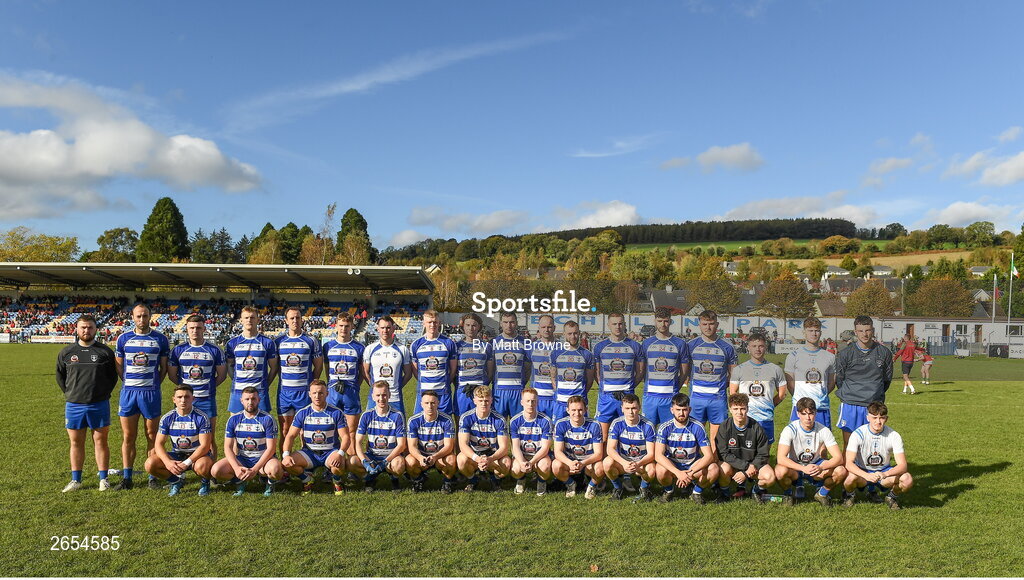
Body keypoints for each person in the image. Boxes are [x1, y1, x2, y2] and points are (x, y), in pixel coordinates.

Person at [57, 314, 118, 492]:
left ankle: (103, 479)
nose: (86, 330)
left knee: (101, 441)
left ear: (95, 329)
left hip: (98, 404)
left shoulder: (105, 352)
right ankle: (76, 480)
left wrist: (101, 393)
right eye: (83, 327)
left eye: (90, 327)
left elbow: (112, 378)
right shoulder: (66, 353)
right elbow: (60, 377)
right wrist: (71, 393)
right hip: (74, 405)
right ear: (76, 329)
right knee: (76, 443)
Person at [114, 303, 171, 490]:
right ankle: (127, 477)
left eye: (145, 316)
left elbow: (163, 368)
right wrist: (129, 382)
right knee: (128, 436)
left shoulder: (160, 340)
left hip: (150, 393)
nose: (141, 319)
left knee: (152, 436)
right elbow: (119, 366)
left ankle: (152, 477)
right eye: (138, 316)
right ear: (132, 317)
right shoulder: (123, 339)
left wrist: (154, 385)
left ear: (150, 317)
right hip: (129, 393)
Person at [168, 314, 227, 457]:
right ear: (186, 329)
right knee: (179, 435)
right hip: (184, 400)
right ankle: (179, 471)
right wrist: (185, 392)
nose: (195, 331)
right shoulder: (177, 350)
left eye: (198, 328)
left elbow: (222, 375)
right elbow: (172, 375)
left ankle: (210, 472)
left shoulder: (214, 350)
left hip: (206, 400)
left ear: (204, 329)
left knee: (210, 438)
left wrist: (209, 386)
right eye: (192, 328)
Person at [210, 387, 284, 496]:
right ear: (241, 401)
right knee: (216, 470)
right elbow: (227, 447)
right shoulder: (233, 419)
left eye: (253, 399)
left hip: (263, 459)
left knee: (276, 469)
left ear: (259, 400)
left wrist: (255, 469)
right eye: (247, 399)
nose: (250, 402)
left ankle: (269, 483)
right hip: (242, 459)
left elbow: (271, 448)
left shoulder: (268, 419)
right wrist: (236, 468)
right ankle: (240, 482)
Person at [280, 379, 349, 495]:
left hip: (330, 452)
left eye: (321, 393)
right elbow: (290, 436)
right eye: (314, 393)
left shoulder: (336, 412)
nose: (317, 396)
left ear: (327, 394)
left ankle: (336, 481)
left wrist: (340, 454)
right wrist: (286, 455)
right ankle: (307, 480)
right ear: (309, 394)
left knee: (340, 464)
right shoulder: (302, 413)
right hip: (310, 453)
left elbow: (346, 437)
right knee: (286, 463)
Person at [774, 397, 847, 507]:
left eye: (811, 413)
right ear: (798, 414)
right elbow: (781, 458)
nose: (808, 417)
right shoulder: (789, 429)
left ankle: (821, 494)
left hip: (816, 467)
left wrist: (820, 467)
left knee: (841, 471)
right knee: (779, 470)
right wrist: (803, 468)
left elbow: (838, 458)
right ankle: (788, 494)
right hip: (796, 467)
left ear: (815, 413)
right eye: (804, 414)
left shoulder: (823, 430)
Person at [841, 401, 914, 509]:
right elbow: (848, 463)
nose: (878, 421)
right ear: (867, 418)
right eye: (874, 417)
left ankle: (891, 497)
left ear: (886, 419)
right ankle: (850, 495)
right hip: (863, 474)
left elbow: (902, 466)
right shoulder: (858, 434)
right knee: (849, 478)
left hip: (883, 473)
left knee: (907, 479)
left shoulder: (893, 435)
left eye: (882, 418)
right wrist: (866, 475)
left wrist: (885, 474)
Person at [145, 386, 215, 496]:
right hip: (177, 454)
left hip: (197, 456)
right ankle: (175, 482)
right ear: (174, 399)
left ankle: (205, 483)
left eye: (187, 397)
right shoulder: (167, 418)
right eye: (179, 397)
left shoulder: (202, 417)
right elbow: (158, 444)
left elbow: (205, 446)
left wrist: (187, 463)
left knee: (203, 466)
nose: (183, 400)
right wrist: (167, 462)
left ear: (193, 399)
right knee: (150, 464)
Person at [835, 316, 894, 448]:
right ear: (855, 332)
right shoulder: (845, 353)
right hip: (850, 404)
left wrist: (875, 393)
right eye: (860, 331)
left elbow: (887, 379)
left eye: (867, 330)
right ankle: (848, 468)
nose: (864, 334)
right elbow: (839, 379)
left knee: (871, 444)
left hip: (872, 405)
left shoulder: (884, 353)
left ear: (872, 330)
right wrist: (850, 392)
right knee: (849, 445)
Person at [686, 310, 738, 455]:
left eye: (711, 324)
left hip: (717, 399)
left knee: (716, 439)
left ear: (717, 325)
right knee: (695, 436)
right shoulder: (691, 345)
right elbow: (685, 370)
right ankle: (694, 468)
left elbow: (733, 374)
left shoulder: (727, 347)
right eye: (704, 324)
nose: (708, 327)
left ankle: (713, 470)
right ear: (699, 325)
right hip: (696, 399)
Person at [275, 306, 324, 454]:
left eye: (297, 317)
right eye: (292, 318)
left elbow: (319, 366)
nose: (295, 320)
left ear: (302, 319)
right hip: (284, 393)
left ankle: (306, 461)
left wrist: (310, 385)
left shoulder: (311, 340)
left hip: (304, 393)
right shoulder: (278, 341)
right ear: (286, 321)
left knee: (305, 430)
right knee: (285, 430)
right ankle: (284, 463)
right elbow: (276, 366)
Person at [653, 393, 719, 504]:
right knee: (660, 469)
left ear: (690, 409)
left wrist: (689, 473)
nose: (681, 413)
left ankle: (696, 492)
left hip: (692, 465)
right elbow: (658, 455)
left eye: (684, 409)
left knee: (714, 469)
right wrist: (678, 473)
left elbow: (709, 456)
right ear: (671, 410)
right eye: (678, 409)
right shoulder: (664, 427)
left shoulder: (698, 426)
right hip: (673, 465)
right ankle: (669, 491)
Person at [593, 312, 645, 444]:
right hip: (606, 397)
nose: (618, 326)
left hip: (627, 395)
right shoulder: (600, 347)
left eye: (621, 323)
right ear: (609, 325)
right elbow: (596, 372)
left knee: (628, 434)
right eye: (614, 324)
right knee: (603, 436)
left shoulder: (634, 346)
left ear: (625, 325)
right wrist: (604, 388)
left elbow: (640, 372)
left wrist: (630, 386)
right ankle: (604, 463)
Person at [715, 393, 774, 503]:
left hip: (752, 465)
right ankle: (724, 493)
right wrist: (745, 467)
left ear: (747, 408)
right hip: (734, 465)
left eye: (742, 408)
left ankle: (756, 490)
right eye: (735, 408)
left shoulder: (756, 427)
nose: (739, 412)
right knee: (723, 468)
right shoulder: (724, 427)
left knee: (769, 476)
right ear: (730, 409)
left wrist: (749, 470)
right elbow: (723, 453)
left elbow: (763, 453)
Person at [351, 380, 407, 492]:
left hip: (391, 457)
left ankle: (394, 478)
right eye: (378, 395)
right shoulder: (366, 415)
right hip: (372, 456)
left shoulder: (397, 416)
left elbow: (401, 445)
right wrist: (364, 461)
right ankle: (370, 478)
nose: (381, 398)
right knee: (352, 461)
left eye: (384, 395)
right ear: (373, 396)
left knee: (399, 464)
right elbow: (357, 442)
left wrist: (385, 461)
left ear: (389, 395)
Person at [730, 332, 785, 445]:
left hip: (766, 418)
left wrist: (769, 405)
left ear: (766, 347)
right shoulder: (739, 369)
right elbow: (733, 392)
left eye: (761, 346)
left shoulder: (775, 369)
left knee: (764, 452)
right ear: (748, 347)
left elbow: (782, 393)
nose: (757, 349)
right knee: (745, 450)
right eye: (754, 346)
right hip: (746, 418)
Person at [323, 312, 365, 456]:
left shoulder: (359, 347)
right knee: (331, 429)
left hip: (351, 393)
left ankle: (352, 464)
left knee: (351, 431)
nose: (343, 329)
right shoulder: (328, 346)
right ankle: (333, 464)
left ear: (352, 326)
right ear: (336, 326)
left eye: (347, 326)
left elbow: (362, 373)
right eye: (341, 326)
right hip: (333, 393)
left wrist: (354, 386)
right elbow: (326, 370)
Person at [641, 307, 690, 427]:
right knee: (648, 431)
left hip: (670, 397)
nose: (663, 324)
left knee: (669, 432)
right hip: (650, 397)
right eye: (660, 321)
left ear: (670, 321)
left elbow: (684, 371)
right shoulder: (647, 343)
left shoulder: (680, 344)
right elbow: (641, 369)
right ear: (655, 321)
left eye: (666, 321)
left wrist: (675, 387)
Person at [603, 393, 657, 501]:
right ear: (622, 408)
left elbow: (651, 454)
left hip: (641, 462)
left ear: (639, 408)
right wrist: (624, 463)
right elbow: (610, 449)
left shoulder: (648, 425)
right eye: (627, 408)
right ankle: (618, 488)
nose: (631, 412)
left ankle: (644, 489)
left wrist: (638, 464)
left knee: (651, 469)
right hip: (623, 461)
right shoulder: (617, 423)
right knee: (607, 463)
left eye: (634, 408)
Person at [226, 306, 279, 415]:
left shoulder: (267, 343)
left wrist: (265, 384)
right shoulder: (232, 343)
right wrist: (236, 381)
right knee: (236, 425)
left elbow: (274, 368)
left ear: (258, 320)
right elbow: (229, 365)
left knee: (263, 425)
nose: (249, 320)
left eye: (252, 317)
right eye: (246, 318)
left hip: (260, 392)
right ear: (241, 320)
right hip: (238, 392)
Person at [457, 385, 511, 491]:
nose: (483, 403)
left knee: (506, 463)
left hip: (492, 455)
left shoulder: (499, 419)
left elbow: (504, 447)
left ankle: (494, 479)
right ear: (474, 401)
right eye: (480, 400)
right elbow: (463, 445)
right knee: (461, 460)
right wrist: (478, 459)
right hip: (474, 454)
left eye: (486, 400)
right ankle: (473, 479)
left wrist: (489, 459)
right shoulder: (466, 418)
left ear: (491, 400)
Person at [784, 317, 836, 428]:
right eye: (810, 330)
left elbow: (831, 383)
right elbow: (790, 384)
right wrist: (802, 400)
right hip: (800, 408)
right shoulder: (793, 356)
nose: (814, 333)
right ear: (804, 333)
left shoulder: (830, 357)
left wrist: (821, 394)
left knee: (822, 444)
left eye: (816, 331)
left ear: (820, 333)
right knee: (798, 443)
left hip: (821, 408)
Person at [552, 396, 605, 499]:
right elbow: (558, 452)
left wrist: (583, 463)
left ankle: (591, 486)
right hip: (570, 462)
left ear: (586, 409)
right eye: (573, 410)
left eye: (580, 410)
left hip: (588, 462)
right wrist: (570, 463)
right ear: (567, 410)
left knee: (600, 467)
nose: (577, 413)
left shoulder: (594, 425)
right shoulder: (561, 424)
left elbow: (599, 454)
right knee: (555, 465)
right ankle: (571, 484)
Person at [406, 390, 458, 493]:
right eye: (426, 403)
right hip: (422, 456)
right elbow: (412, 446)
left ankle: (447, 482)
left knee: (451, 459)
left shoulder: (447, 420)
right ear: (421, 404)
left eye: (433, 403)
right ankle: (419, 480)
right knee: (409, 461)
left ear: (438, 403)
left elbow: (449, 446)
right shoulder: (413, 421)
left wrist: (435, 457)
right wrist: (420, 458)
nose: (430, 406)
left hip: (440, 456)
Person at [410, 310, 458, 416]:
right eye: (429, 322)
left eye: (435, 322)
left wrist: (445, 383)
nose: (432, 325)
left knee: (445, 424)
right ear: (424, 323)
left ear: (439, 322)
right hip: (423, 392)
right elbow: (415, 370)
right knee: (422, 424)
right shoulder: (416, 344)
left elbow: (453, 369)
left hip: (443, 393)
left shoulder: (448, 343)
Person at [363, 316, 414, 416]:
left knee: (398, 429)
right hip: (375, 398)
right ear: (378, 329)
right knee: (372, 428)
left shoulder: (402, 349)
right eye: (382, 328)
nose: (385, 330)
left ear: (393, 328)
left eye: (388, 327)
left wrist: (397, 387)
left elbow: (408, 374)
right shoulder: (370, 349)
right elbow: (365, 372)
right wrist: (374, 387)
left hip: (395, 398)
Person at [509, 387, 554, 496]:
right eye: (527, 401)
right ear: (522, 402)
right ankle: (521, 479)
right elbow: (515, 447)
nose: (530, 404)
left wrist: (532, 462)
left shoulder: (545, 421)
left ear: (537, 402)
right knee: (515, 470)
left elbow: (545, 448)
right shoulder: (514, 421)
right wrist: (522, 462)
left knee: (545, 466)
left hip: (540, 456)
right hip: (523, 454)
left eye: (533, 401)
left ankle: (541, 482)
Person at [549, 321, 595, 420]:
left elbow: (590, 380)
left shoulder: (587, 354)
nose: (573, 336)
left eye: (575, 333)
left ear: (579, 333)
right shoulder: (556, 353)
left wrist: (581, 394)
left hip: (579, 403)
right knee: (557, 432)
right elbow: (553, 376)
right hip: (561, 403)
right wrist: (558, 392)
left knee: (581, 431)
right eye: (569, 333)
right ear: (564, 334)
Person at [489, 312, 531, 419]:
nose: (509, 325)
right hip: (499, 391)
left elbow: (527, 367)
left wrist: (522, 382)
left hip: (518, 390)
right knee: (499, 425)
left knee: (517, 426)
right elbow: (491, 367)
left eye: (512, 322)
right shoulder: (493, 342)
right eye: (506, 322)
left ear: (516, 323)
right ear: (501, 324)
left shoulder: (525, 342)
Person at [454, 313, 492, 417]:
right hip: (462, 391)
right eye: (468, 325)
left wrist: (482, 385)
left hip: (480, 390)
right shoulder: (456, 346)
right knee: (461, 424)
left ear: (479, 327)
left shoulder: (486, 346)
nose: (471, 328)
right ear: (463, 326)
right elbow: (453, 371)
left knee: (481, 423)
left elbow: (490, 372)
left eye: (474, 325)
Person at [528, 314, 558, 419]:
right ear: (539, 329)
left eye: (549, 327)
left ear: (554, 328)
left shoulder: (562, 348)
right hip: (537, 398)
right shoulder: (531, 348)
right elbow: (526, 369)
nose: (546, 330)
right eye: (543, 327)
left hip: (556, 397)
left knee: (555, 431)